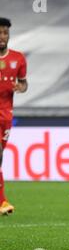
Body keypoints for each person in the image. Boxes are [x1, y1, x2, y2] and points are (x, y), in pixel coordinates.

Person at [0, 18, 28, 216]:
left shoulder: (18, 58)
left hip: (6, 115)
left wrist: (21, 87)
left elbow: (24, 83)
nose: (2, 37)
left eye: (5, 33)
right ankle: (2, 202)